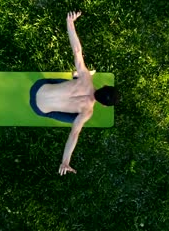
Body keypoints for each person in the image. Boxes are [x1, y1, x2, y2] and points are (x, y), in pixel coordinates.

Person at [29, 11, 120, 176]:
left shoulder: (86, 77)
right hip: (39, 109)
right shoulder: (88, 112)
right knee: (76, 121)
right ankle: (73, 79)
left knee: (75, 77)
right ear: (104, 105)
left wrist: (70, 23)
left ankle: (75, 77)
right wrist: (65, 161)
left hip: (39, 88)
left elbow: (77, 51)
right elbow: (74, 134)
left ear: (104, 85)